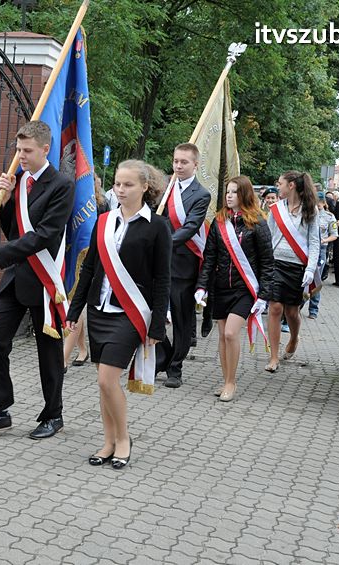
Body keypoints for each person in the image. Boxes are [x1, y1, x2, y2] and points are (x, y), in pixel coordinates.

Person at [0, 120, 74, 440]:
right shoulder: (19, 181)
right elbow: (14, 231)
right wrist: (7, 199)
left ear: (45, 149)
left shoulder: (61, 185)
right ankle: (0, 410)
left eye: (27, 150)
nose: (20, 155)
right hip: (15, 277)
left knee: (48, 351)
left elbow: (44, 236)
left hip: (43, 279)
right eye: (18, 149)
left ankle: (53, 415)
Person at [66, 160, 171, 469]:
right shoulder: (103, 221)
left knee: (106, 379)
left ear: (144, 187)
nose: (121, 189)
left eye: (128, 184)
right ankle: (108, 441)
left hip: (129, 313)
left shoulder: (157, 226)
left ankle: (123, 439)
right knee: (104, 383)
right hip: (99, 310)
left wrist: (157, 324)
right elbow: (89, 269)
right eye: (117, 184)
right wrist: (75, 308)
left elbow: (163, 278)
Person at [195, 176, 273, 401]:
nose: (229, 196)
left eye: (234, 192)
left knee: (231, 333)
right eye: (227, 192)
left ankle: (231, 382)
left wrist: (264, 295)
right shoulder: (220, 222)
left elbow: (267, 261)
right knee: (222, 336)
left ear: (245, 195)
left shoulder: (257, 222)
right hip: (221, 287)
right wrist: (202, 287)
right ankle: (225, 379)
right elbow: (209, 257)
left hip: (245, 289)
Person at [161, 143, 210, 388]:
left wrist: (162, 244)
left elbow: (190, 228)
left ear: (195, 165)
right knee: (152, 315)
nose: (178, 166)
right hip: (159, 264)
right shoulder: (166, 189)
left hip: (183, 265)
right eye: (176, 161)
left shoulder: (201, 195)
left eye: (184, 162)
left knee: (181, 321)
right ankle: (163, 357)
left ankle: (175, 369)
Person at [265, 170, 320, 373]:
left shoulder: (310, 210)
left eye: (280, 183)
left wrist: (311, 269)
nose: (277, 186)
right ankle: (273, 356)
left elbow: (315, 243)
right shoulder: (276, 209)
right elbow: (268, 238)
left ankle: (294, 337)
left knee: (291, 311)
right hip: (276, 264)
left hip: (297, 266)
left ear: (291, 186)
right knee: (275, 308)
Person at [62, 172, 105, 372]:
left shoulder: (101, 206)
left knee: (74, 305)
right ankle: (82, 349)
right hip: (69, 257)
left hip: (90, 260)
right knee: (73, 303)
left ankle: (63, 358)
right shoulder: (68, 201)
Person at [308, 191, 339, 319]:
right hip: (307, 249)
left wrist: (324, 240)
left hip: (321, 249)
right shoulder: (307, 215)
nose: (318, 205)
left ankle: (313, 309)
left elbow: (335, 234)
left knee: (316, 280)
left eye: (320, 202)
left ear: (324, 203)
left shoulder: (329, 217)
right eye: (315, 202)